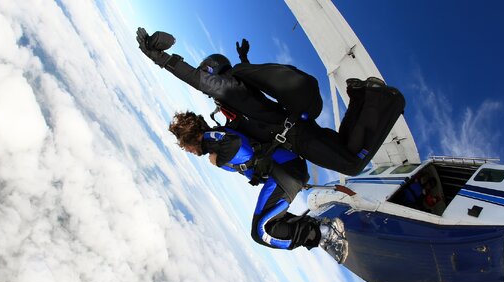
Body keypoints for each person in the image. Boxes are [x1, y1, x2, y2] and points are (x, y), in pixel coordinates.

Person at [137, 28, 405, 176]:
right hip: (295, 132)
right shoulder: (233, 92)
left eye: (207, 72)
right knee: (348, 149)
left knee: (352, 164)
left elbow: (198, 80)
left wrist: (161, 58)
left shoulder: (227, 90)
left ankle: (374, 98)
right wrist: (244, 62)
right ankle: (361, 96)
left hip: (297, 137)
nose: (207, 80)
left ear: (214, 74)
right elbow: (253, 103)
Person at [169, 111, 348, 262]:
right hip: (285, 172)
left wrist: (218, 160)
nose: (188, 150)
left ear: (193, 135)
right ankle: (319, 228)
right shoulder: (213, 139)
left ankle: (325, 233)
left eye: (185, 145)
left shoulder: (210, 138)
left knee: (263, 230)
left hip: (286, 171)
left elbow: (233, 143)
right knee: (265, 226)